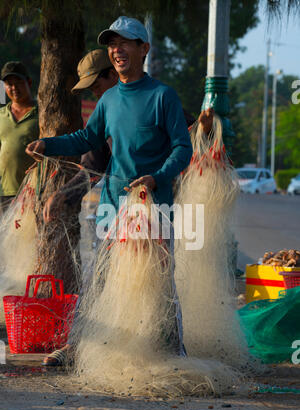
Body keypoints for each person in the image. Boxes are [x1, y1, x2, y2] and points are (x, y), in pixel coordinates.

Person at [26, 16, 213, 366]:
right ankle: (79, 348)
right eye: (112, 44)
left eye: (125, 42)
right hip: (112, 207)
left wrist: (156, 178)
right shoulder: (109, 99)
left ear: (143, 49)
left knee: (158, 281)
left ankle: (174, 350)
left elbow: (182, 149)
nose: (116, 50)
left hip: (152, 207)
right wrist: (47, 144)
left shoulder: (162, 96)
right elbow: (87, 139)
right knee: (101, 276)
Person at [43, 49, 118, 224]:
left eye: (97, 87)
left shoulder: (153, 96)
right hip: (115, 208)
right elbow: (92, 167)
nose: (95, 94)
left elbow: (188, 136)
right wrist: (64, 194)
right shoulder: (103, 116)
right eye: (91, 90)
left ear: (113, 75)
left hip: (155, 206)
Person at [0, 62, 38, 211]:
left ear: (28, 82)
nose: (14, 88)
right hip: (3, 192)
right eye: (9, 84)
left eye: (19, 83)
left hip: (30, 192)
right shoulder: (1, 115)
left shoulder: (42, 113)